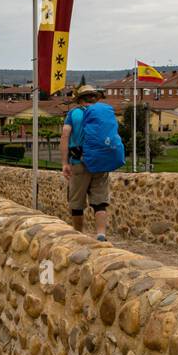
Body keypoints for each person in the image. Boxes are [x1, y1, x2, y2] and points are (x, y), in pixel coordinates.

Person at [61, 84, 124, 242]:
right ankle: (101, 234)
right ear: (95, 98)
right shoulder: (103, 113)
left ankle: (79, 234)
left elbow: (65, 136)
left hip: (79, 162)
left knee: (76, 202)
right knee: (100, 202)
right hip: (101, 162)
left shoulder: (73, 114)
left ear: (79, 99)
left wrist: (64, 163)